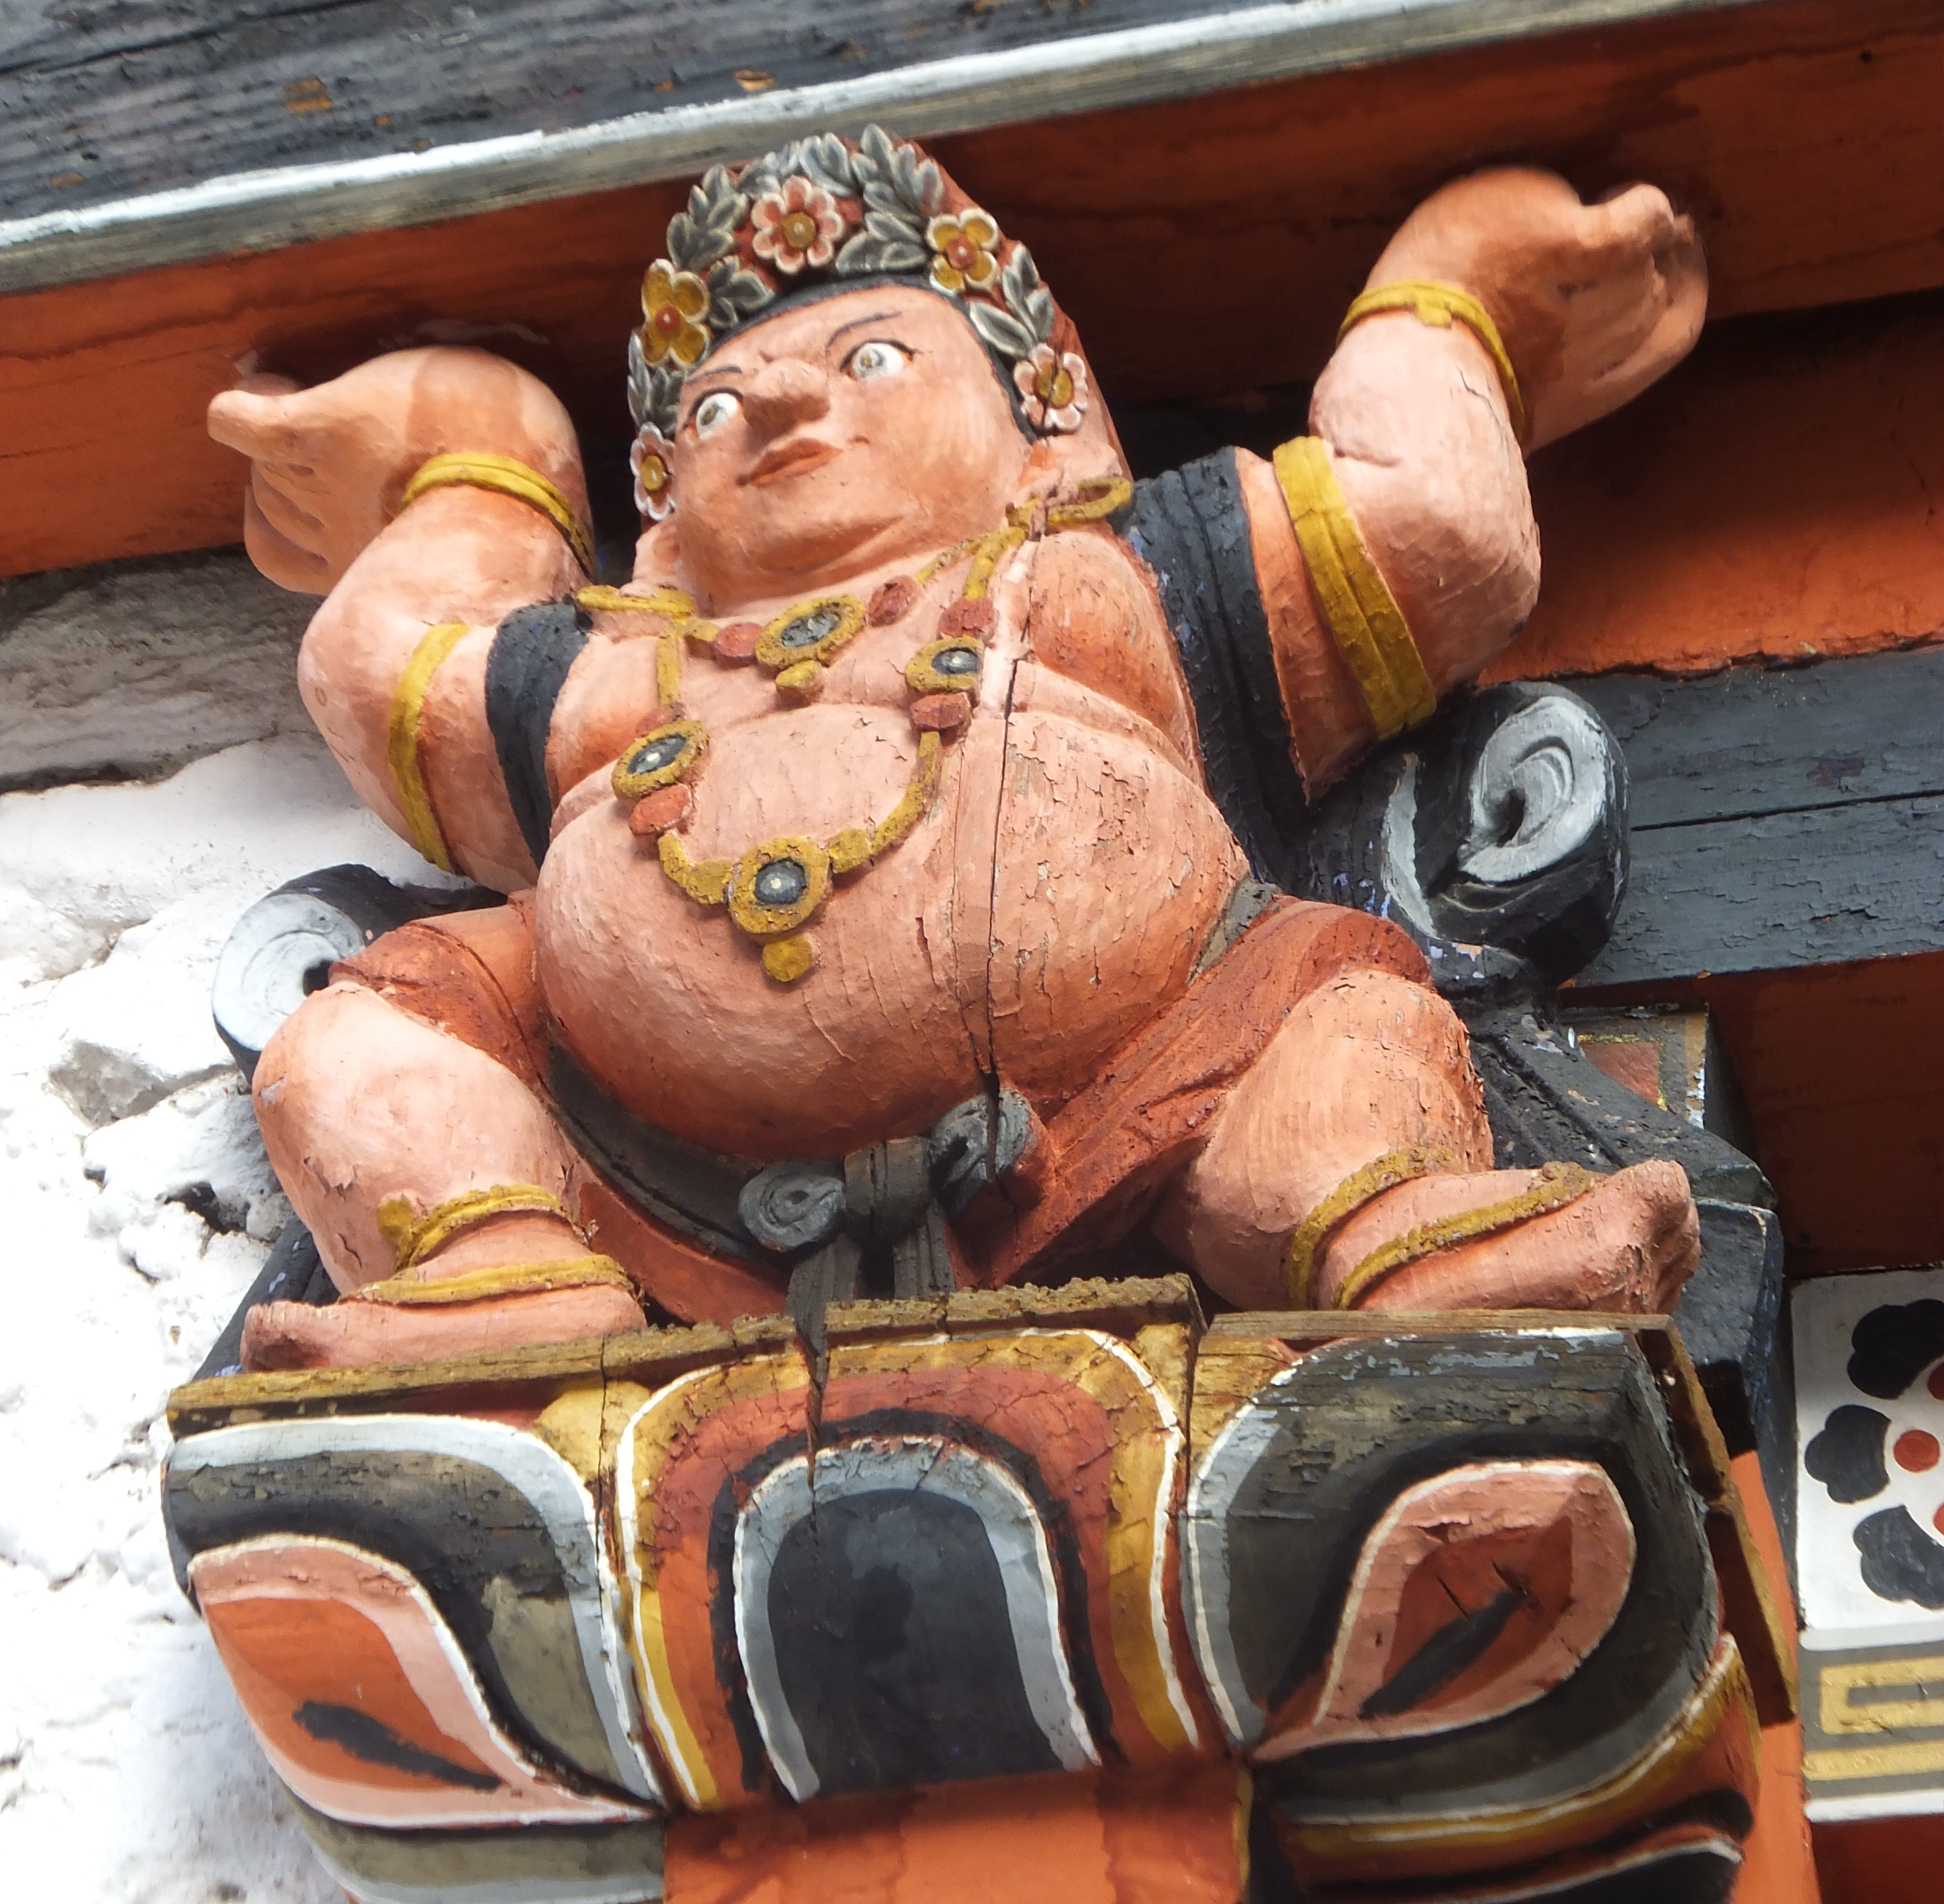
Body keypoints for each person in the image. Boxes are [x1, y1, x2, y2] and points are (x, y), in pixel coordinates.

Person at [208, 128, 1705, 1367]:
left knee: (1335, 1006)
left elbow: (1435, 527)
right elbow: (382, 672)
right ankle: (496, 1274)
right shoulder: (616, 668)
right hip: (637, 1150)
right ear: (660, 531)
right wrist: (479, 461)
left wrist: (1447, 299)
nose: (776, 401)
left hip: (1151, 1081)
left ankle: (1388, 1234)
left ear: (1048, 433)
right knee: (350, 1039)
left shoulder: (1109, 571)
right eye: (713, 408)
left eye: (871, 357)